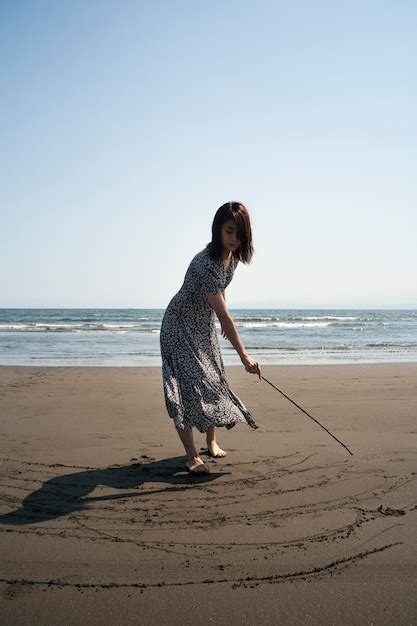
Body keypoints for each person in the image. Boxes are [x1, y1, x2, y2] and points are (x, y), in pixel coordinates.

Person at [160, 201, 261, 475]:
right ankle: (192, 455)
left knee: (213, 378)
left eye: (239, 234)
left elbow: (222, 291)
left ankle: (211, 441)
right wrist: (244, 355)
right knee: (185, 387)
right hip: (179, 326)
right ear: (218, 229)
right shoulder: (205, 264)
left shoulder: (233, 258)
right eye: (229, 231)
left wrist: (220, 316)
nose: (233, 239)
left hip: (202, 323)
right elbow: (225, 314)